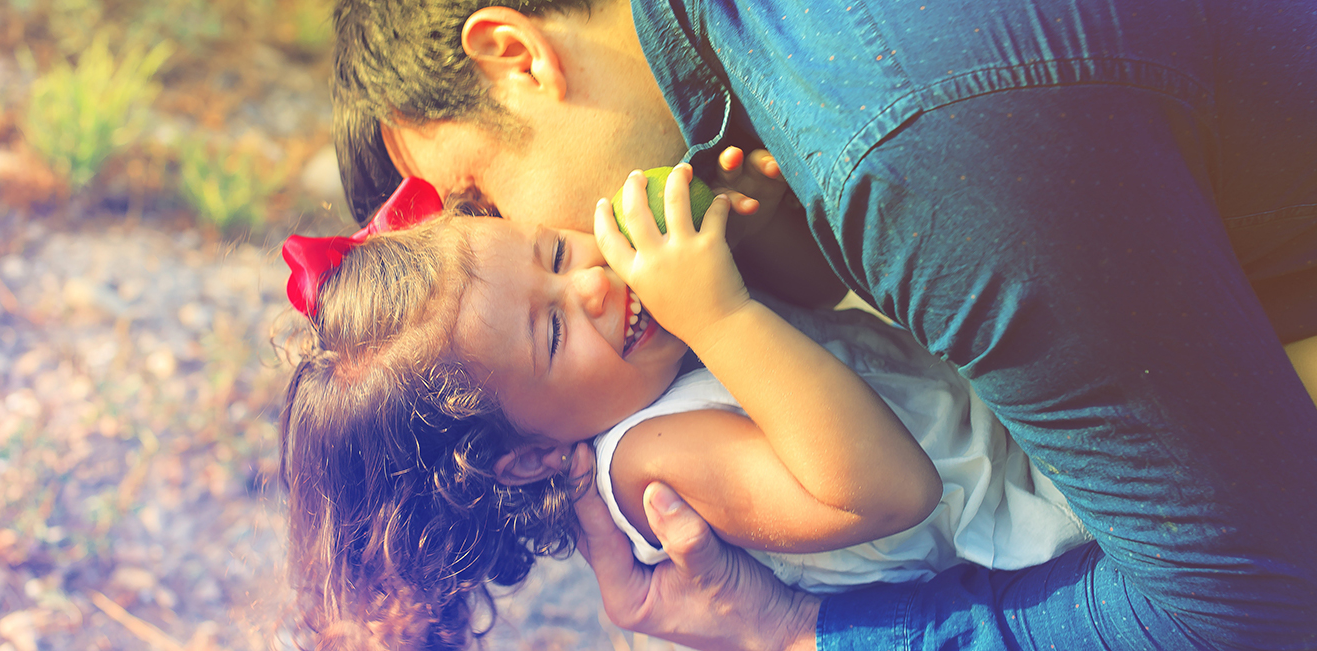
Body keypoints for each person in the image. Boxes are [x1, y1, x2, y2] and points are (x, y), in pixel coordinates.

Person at [329, 0, 1317, 648]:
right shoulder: (816, 73)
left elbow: (1243, 604)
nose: (551, 251)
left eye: (482, 199)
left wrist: (795, 633)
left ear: (515, 56)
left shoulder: (898, 144)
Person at [276, 167, 1092, 649]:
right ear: (524, 456)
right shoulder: (649, 460)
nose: (593, 283)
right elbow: (888, 490)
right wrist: (721, 312)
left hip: (1032, 417)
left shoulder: (654, 364)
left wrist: (745, 225)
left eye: (554, 254)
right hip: (1056, 514)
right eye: (554, 330)